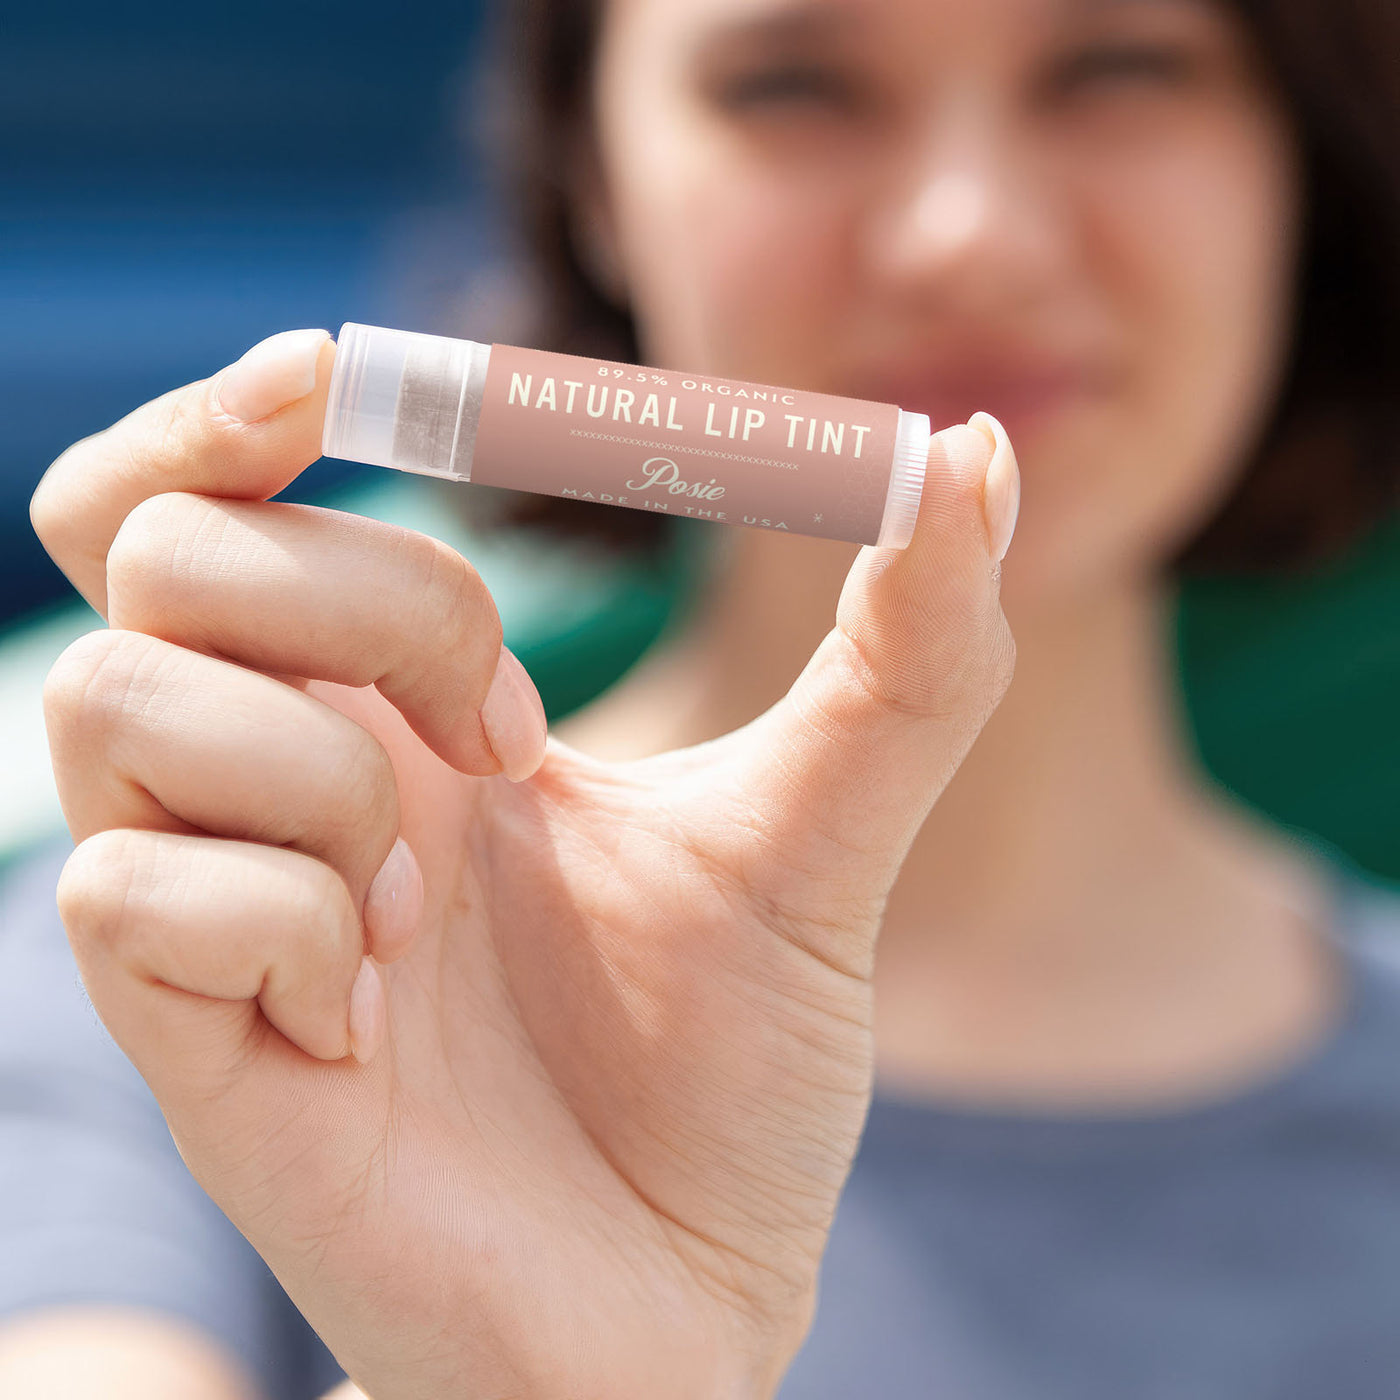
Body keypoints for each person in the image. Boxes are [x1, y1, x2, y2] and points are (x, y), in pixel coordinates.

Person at [4, 0, 1400, 1396]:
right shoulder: (228, 949)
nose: (969, 234)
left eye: (1120, 68)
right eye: (795, 85)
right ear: (595, 181)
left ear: (1297, 162)